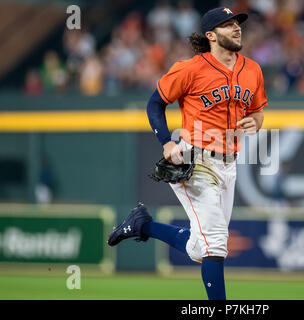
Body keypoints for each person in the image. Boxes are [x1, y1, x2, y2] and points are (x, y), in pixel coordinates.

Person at [108, 7, 268, 300]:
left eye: (237, 24)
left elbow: (258, 112)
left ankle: (143, 224)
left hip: (230, 164)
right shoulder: (190, 68)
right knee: (216, 243)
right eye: (228, 25)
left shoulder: (252, 69)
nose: (236, 28)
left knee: (200, 248)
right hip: (194, 159)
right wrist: (167, 142)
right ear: (211, 36)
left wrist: (255, 122)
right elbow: (155, 103)